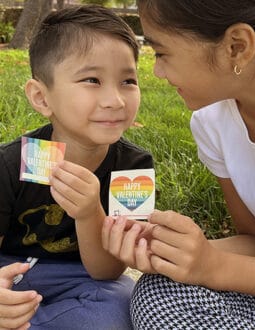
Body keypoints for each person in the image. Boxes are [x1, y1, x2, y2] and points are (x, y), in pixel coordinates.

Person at [102, 0, 255, 328]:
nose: (157, 72)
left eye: (162, 53)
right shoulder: (212, 122)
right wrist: (172, 250)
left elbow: (220, 268)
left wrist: (214, 267)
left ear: (237, 47)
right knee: (160, 295)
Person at [0, 5, 153, 330]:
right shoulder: (17, 160)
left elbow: (107, 271)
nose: (116, 99)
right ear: (42, 98)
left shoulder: (132, 168)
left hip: (80, 276)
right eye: (92, 80)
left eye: (128, 80)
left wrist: (89, 214)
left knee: (123, 300)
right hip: (9, 268)